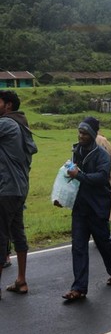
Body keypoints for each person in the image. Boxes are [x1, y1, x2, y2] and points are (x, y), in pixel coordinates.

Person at [62, 116, 111, 301]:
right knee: (78, 247)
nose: (81, 136)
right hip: (80, 207)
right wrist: (61, 197)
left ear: (93, 135)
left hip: (97, 206)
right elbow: (72, 177)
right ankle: (78, 288)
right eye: (79, 132)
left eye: (85, 133)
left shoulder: (102, 155)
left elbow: (101, 178)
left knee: (103, 242)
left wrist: (79, 175)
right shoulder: (77, 151)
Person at [0, 90, 37, 297]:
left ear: (8, 106)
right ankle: (21, 280)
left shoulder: (6, 124)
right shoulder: (22, 125)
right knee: (17, 232)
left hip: (5, 189)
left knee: (1, 235)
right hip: (19, 189)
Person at [96, 131, 111, 222]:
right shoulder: (102, 139)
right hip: (104, 171)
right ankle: (110, 217)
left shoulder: (84, 138)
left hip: (88, 173)